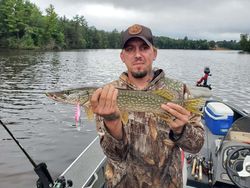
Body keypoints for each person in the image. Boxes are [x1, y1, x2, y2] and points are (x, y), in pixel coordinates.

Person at [90, 24, 204, 188]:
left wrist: (181, 131)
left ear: (154, 53)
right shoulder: (108, 94)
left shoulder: (179, 90)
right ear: (122, 56)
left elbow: (196, 146)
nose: (137, 55)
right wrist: (112, 122)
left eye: (144, 47)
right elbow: (114, 154)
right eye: (130, 49)